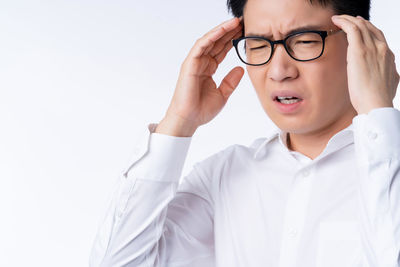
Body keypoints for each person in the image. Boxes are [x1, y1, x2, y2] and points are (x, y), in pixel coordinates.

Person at [89, 0, 400, 266]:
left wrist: (377, 109)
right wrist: (178, 122)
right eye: (259, 45)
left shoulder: (389, 163)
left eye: (304, 41)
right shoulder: (224, 176)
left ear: (362, 42)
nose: (279, 71)